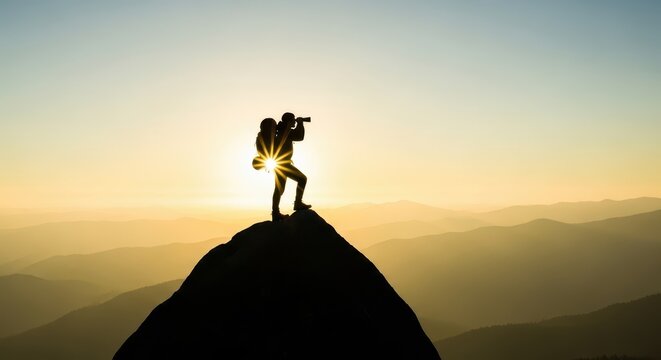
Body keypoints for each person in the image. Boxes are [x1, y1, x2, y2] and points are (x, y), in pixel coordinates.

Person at [271, 112, 311, 221]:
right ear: (289, 121)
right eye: (293, 119)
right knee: (302, 179)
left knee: (279, 189)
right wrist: (300, 123)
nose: (294, 121)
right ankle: (298, 203)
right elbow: (300, 137)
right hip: (284, 164)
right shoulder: (286, 129)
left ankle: (275, 213)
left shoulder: (282, 129)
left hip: (279, 163)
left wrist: (298, 123)